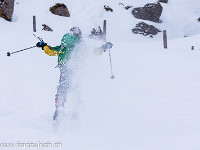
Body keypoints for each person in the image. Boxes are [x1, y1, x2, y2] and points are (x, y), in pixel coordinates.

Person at [36, 27, 113, 120]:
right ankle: (75, 112)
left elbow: (51, 51)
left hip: (65, 70)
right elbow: (93, 52)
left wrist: (43, 45)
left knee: (62, 89)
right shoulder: (81, 47)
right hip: (76, 71)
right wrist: (103, 47)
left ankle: (59, 108)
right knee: (76, 90)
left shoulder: (64, 46)